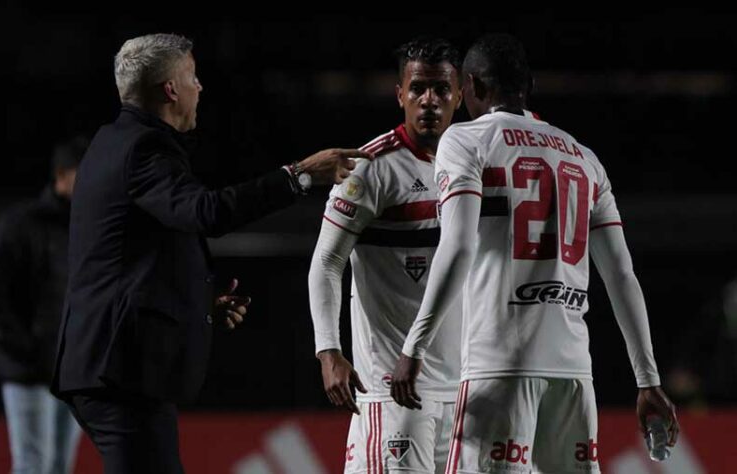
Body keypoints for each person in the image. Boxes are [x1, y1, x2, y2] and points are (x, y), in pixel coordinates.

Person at [50, 33, 371, 474]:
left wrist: (193, 305)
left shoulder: (114, 142)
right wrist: (297, 175)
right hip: (118, 371)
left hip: (109, 366)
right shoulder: (143, 148)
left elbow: (128, 260)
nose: (200, 87)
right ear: (170, 89)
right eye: (193, 77)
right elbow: (207, 212)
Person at [390, 33, 680, 473]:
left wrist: (415, 345)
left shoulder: (464, 141)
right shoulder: (585, 158)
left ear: (473, 86)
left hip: (499, 366)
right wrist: (648, 380)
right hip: (574, 375)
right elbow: (622, 274)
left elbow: (459, 244)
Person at [309, 36, 463, 473]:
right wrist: (328, 350)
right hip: (392, 391)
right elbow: (326, 261)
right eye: (417, 89)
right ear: (400, 95)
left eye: (441, 89)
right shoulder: (371, 168)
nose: (429, 100)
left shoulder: (476, 163)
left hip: (465, 389)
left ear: (461, 96)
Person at [0, 136, 88, 474]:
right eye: (84, 174)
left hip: (73, 373)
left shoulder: (89, 228)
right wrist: (20, 345)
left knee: (58, 467)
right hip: (28, 370)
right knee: (33, 465)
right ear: (62, 176)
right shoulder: (19, 225)